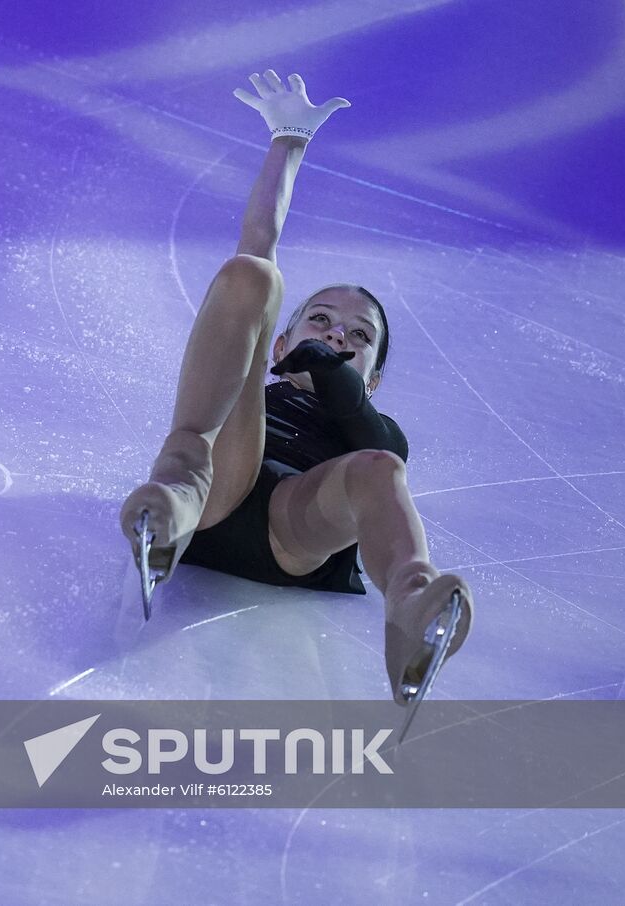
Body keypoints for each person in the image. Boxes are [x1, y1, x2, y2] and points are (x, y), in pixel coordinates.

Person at [118, 71, 473, 704]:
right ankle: (167, 511)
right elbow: (259, 241)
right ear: (280, 346)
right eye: (321, 321)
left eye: (359, 336)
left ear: (374, 377)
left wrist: (333, 374)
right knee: (252, 274)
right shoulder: (261, 382)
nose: (338, 334)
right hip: (214, 492)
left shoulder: (376, 430)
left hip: (296, 530)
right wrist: (288, 141)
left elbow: (364, 434)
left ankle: (413, 610)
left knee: (380, 469)